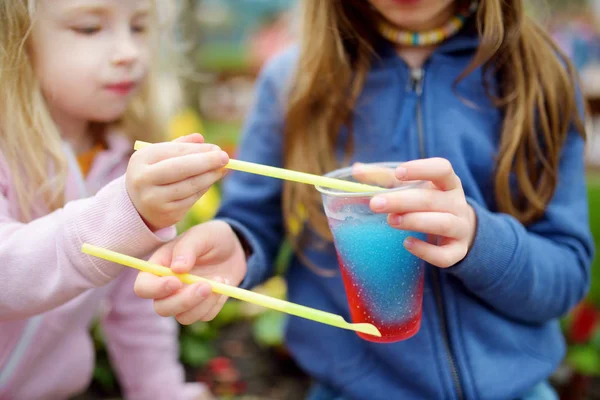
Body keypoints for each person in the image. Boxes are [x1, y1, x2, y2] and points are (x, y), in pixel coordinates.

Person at [134, 0, 594, 398]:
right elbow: (255, 220)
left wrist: (478, 239)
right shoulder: (292, 80)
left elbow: (565, 276)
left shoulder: (540, 75)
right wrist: (237, 244)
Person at [0, 0, 228, 398]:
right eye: (89, 28)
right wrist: (120, 215)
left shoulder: (123, 158)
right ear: (13, 39)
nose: (130, 52)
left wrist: (161, 390)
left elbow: (137, 301)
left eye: (139, 27)